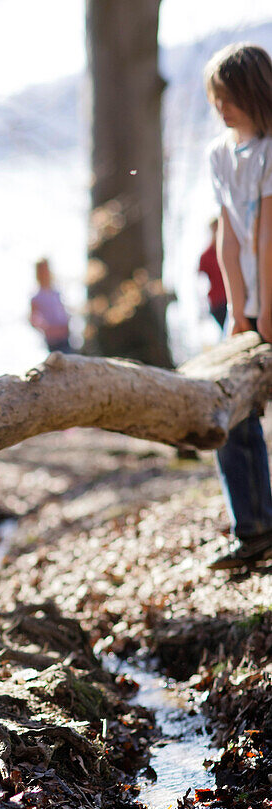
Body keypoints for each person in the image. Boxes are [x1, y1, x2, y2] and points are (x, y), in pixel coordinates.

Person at [204, 43, 272, 570]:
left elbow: (269, 232)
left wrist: (266, 303)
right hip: (248, 300)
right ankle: (254, 526)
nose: (223, 108)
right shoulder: (220, 155)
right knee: (232, 408)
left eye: (230, 97)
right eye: (216, 98)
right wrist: (237, 307)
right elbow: (229, 234)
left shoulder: (271, 150)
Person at [29, 258, 72, 353]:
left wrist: (67, 324)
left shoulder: (56, 292)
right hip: (52, 339)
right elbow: (33, 319)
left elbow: (63, 310)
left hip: (65, 335)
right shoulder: (36, 296)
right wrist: (46, 328)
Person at [198, 218, 228, 330]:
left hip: (235, 298)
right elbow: (200, 282)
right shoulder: (205, 256)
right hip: (218, 302)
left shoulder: (231, 249)